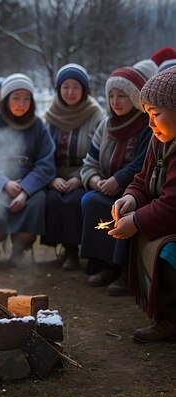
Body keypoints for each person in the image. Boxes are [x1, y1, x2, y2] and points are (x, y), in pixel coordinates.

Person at [110, 66, 176, 342]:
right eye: (147, 115)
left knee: (168, 254)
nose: (150, 124)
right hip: (164, 217)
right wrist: (130, 198)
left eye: (156, 114)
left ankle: (171, 318)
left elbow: (173, 205)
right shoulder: (159, 139)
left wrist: (136, 221)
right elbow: (142, 178)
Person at [0, 73, 56, 276]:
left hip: (27, 182)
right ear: (6, 99)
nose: (21, 103)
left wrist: (26, 190)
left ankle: (19, 251)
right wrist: (4, 183)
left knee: (38, 200)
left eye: (26, 98)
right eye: (16, 97)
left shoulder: (37, 125)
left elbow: (46, 162)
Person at [79, 67, 152, 293]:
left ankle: (122, 270)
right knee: (90, 200)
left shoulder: (147, 125)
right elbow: (89, 161)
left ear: (134, 96)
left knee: (121, 210)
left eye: (122, 95)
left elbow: (143, 163)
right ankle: (102, 261)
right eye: (111, 96)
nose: (115, 101)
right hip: (107, 186)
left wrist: (119, 180)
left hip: (135, 189)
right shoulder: (107, 125)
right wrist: (95, 181)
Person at [42, 64, 105, 270]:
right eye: (65, 87)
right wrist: (51, 179)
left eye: (76, 87)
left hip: (85, 173)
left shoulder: (95, 114)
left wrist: (80, 178)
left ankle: (75, 253)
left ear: (84, 90)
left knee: (74, 199)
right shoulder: (50, 114)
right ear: (58, 89)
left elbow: (100, 152)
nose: (70, 92)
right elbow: (41, 152)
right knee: (51, 198)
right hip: (55, 174)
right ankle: (65, 250)